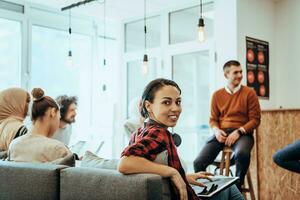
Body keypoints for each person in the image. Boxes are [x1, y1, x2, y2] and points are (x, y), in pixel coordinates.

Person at [118, 78, 244, 200]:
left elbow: (151, 169)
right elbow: (125, 163)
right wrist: (172, 172)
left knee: (226, 183)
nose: (176, 108)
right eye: (166, 102)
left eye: (177, 102)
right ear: (148, 106)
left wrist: (184, 177)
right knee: (229, 186)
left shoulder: (139, 131)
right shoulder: (159, 133)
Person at [194, 60, 261, 190]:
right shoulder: (217, 95)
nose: (240, 75)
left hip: (243, 134)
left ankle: (236, 188)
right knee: (198, 162)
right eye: (236, 72)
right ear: (226, 75)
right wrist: (216, 131)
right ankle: (207, 191)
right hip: (222, 133)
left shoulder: (249, 93)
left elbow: (255, 120)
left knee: (242, 154)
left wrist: (239, 131)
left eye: (241, 72)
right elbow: (213, 119)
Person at [8, 88, 72, 163]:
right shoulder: (59, 149)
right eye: (59, 117)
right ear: (53, 112)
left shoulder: (14, 145)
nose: (58, 122)